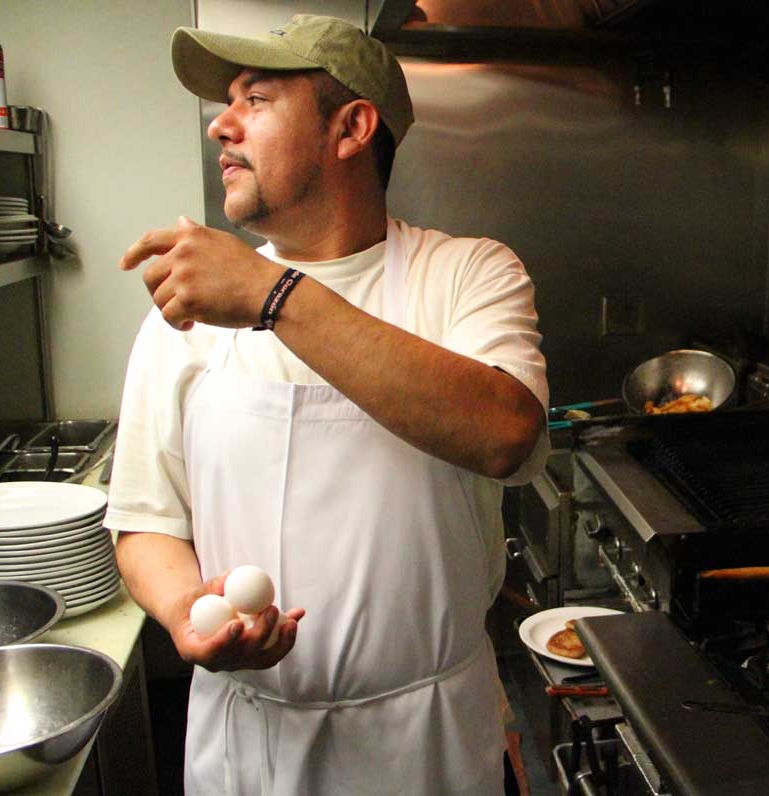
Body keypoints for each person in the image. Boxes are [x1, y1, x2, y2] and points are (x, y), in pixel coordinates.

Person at [105, 14, 549, 796]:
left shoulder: (467, 274)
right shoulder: (190, 308)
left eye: (257, 99)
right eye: (227, 102)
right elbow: (147, 519)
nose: (221, 125)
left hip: (428, 742)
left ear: (351, 129)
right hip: (249, 743)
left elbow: (506, 433)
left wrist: (269, 293)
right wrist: (183, 610)